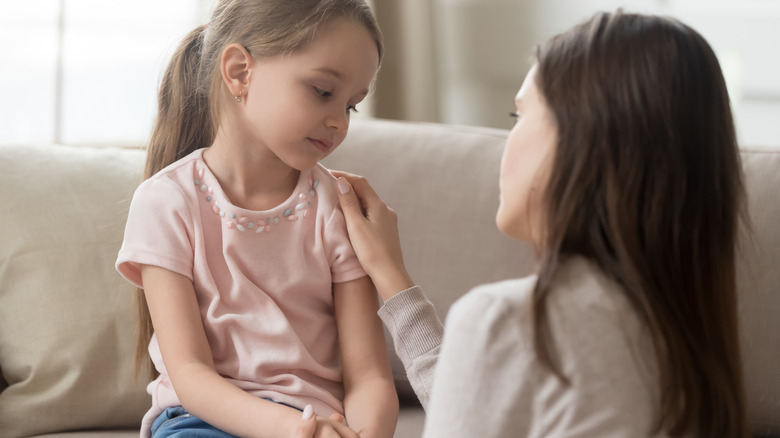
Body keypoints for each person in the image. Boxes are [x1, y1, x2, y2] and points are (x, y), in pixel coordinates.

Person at [306, 10, 749, 438]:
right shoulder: (687, 337)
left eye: (520, 117)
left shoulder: (509, 320)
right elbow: (485, 410)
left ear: (583, 142)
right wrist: (392, 278)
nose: (506, 143)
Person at [115, 1, 398, 437]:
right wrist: (292, 429)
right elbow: (190, 374)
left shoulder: (337, 208)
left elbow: (370, 378)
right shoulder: (165, 202)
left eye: (352, 106)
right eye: (324, 91)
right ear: (240, 72)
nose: (338, 121)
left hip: (319, 422)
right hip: (200, 422)